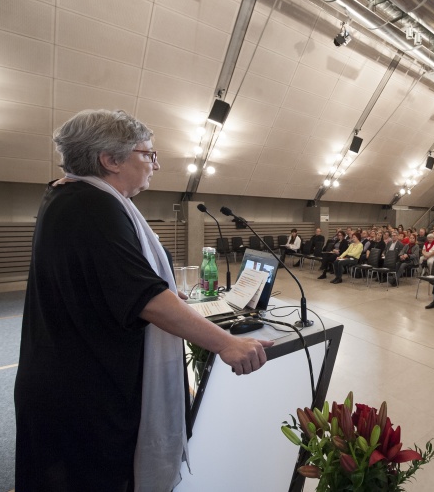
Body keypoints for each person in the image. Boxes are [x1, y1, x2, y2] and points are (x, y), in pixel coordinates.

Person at [14, 109, 273, 492]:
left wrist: (162, 291)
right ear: (110, 159)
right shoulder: (93, 206)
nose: (156, 164)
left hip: (68, 380)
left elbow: (107, 281)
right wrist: (227, 343)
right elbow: (145, 299)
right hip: (87, 396)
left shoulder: (70, 195)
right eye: (148, 154)